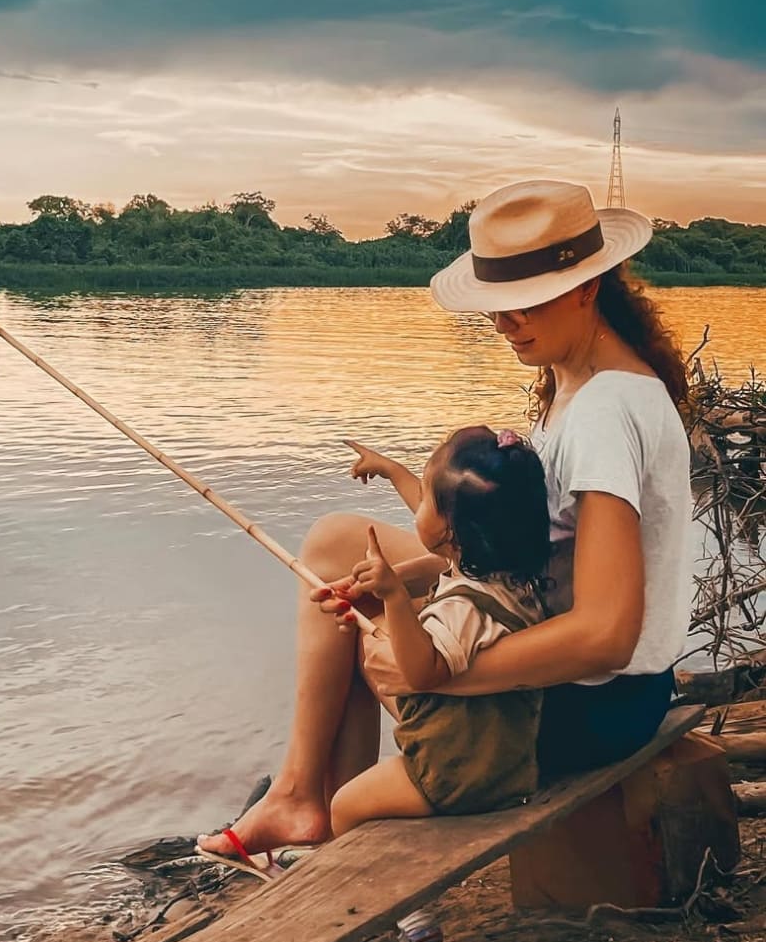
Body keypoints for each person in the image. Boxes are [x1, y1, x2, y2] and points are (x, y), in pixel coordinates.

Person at [198, 179, 691, 864]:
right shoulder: (578, 379)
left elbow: (607, 634)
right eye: (495, 305)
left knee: (374, 604)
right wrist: (407, 577)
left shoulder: (608, 411)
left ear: (587, 286)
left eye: (523, 302)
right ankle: (305, 795)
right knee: (342, 549)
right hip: (602, 685)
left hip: (592, 708)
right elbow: (541, 552)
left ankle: (319, 810)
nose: (503, 322)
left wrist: (435, 672)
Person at [328, 425, 551, 837]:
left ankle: (348, 881)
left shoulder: (462, 607)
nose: (417, 508)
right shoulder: (510, 576)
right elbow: (453, 515)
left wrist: (394, 596)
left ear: (453, 530)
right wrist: (392, 470)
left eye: (425, 499)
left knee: (344, 807)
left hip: (461, 773)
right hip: (503, 757)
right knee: (374, 631)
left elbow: (421, 672)